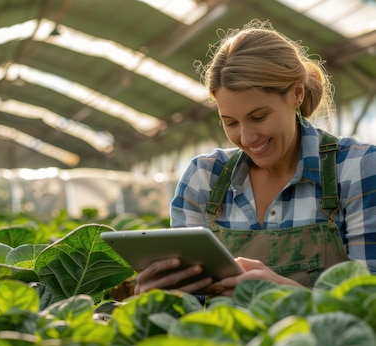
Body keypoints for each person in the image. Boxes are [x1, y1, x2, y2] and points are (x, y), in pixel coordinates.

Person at [135, 19, 376, 297]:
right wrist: (159, 295)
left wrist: (287, 294)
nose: (247, 138)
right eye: (230, 123)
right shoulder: (204, 178)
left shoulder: (356, 169)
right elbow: (190, 303)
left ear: (296, 93)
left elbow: (368, 304)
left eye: (258, 117)